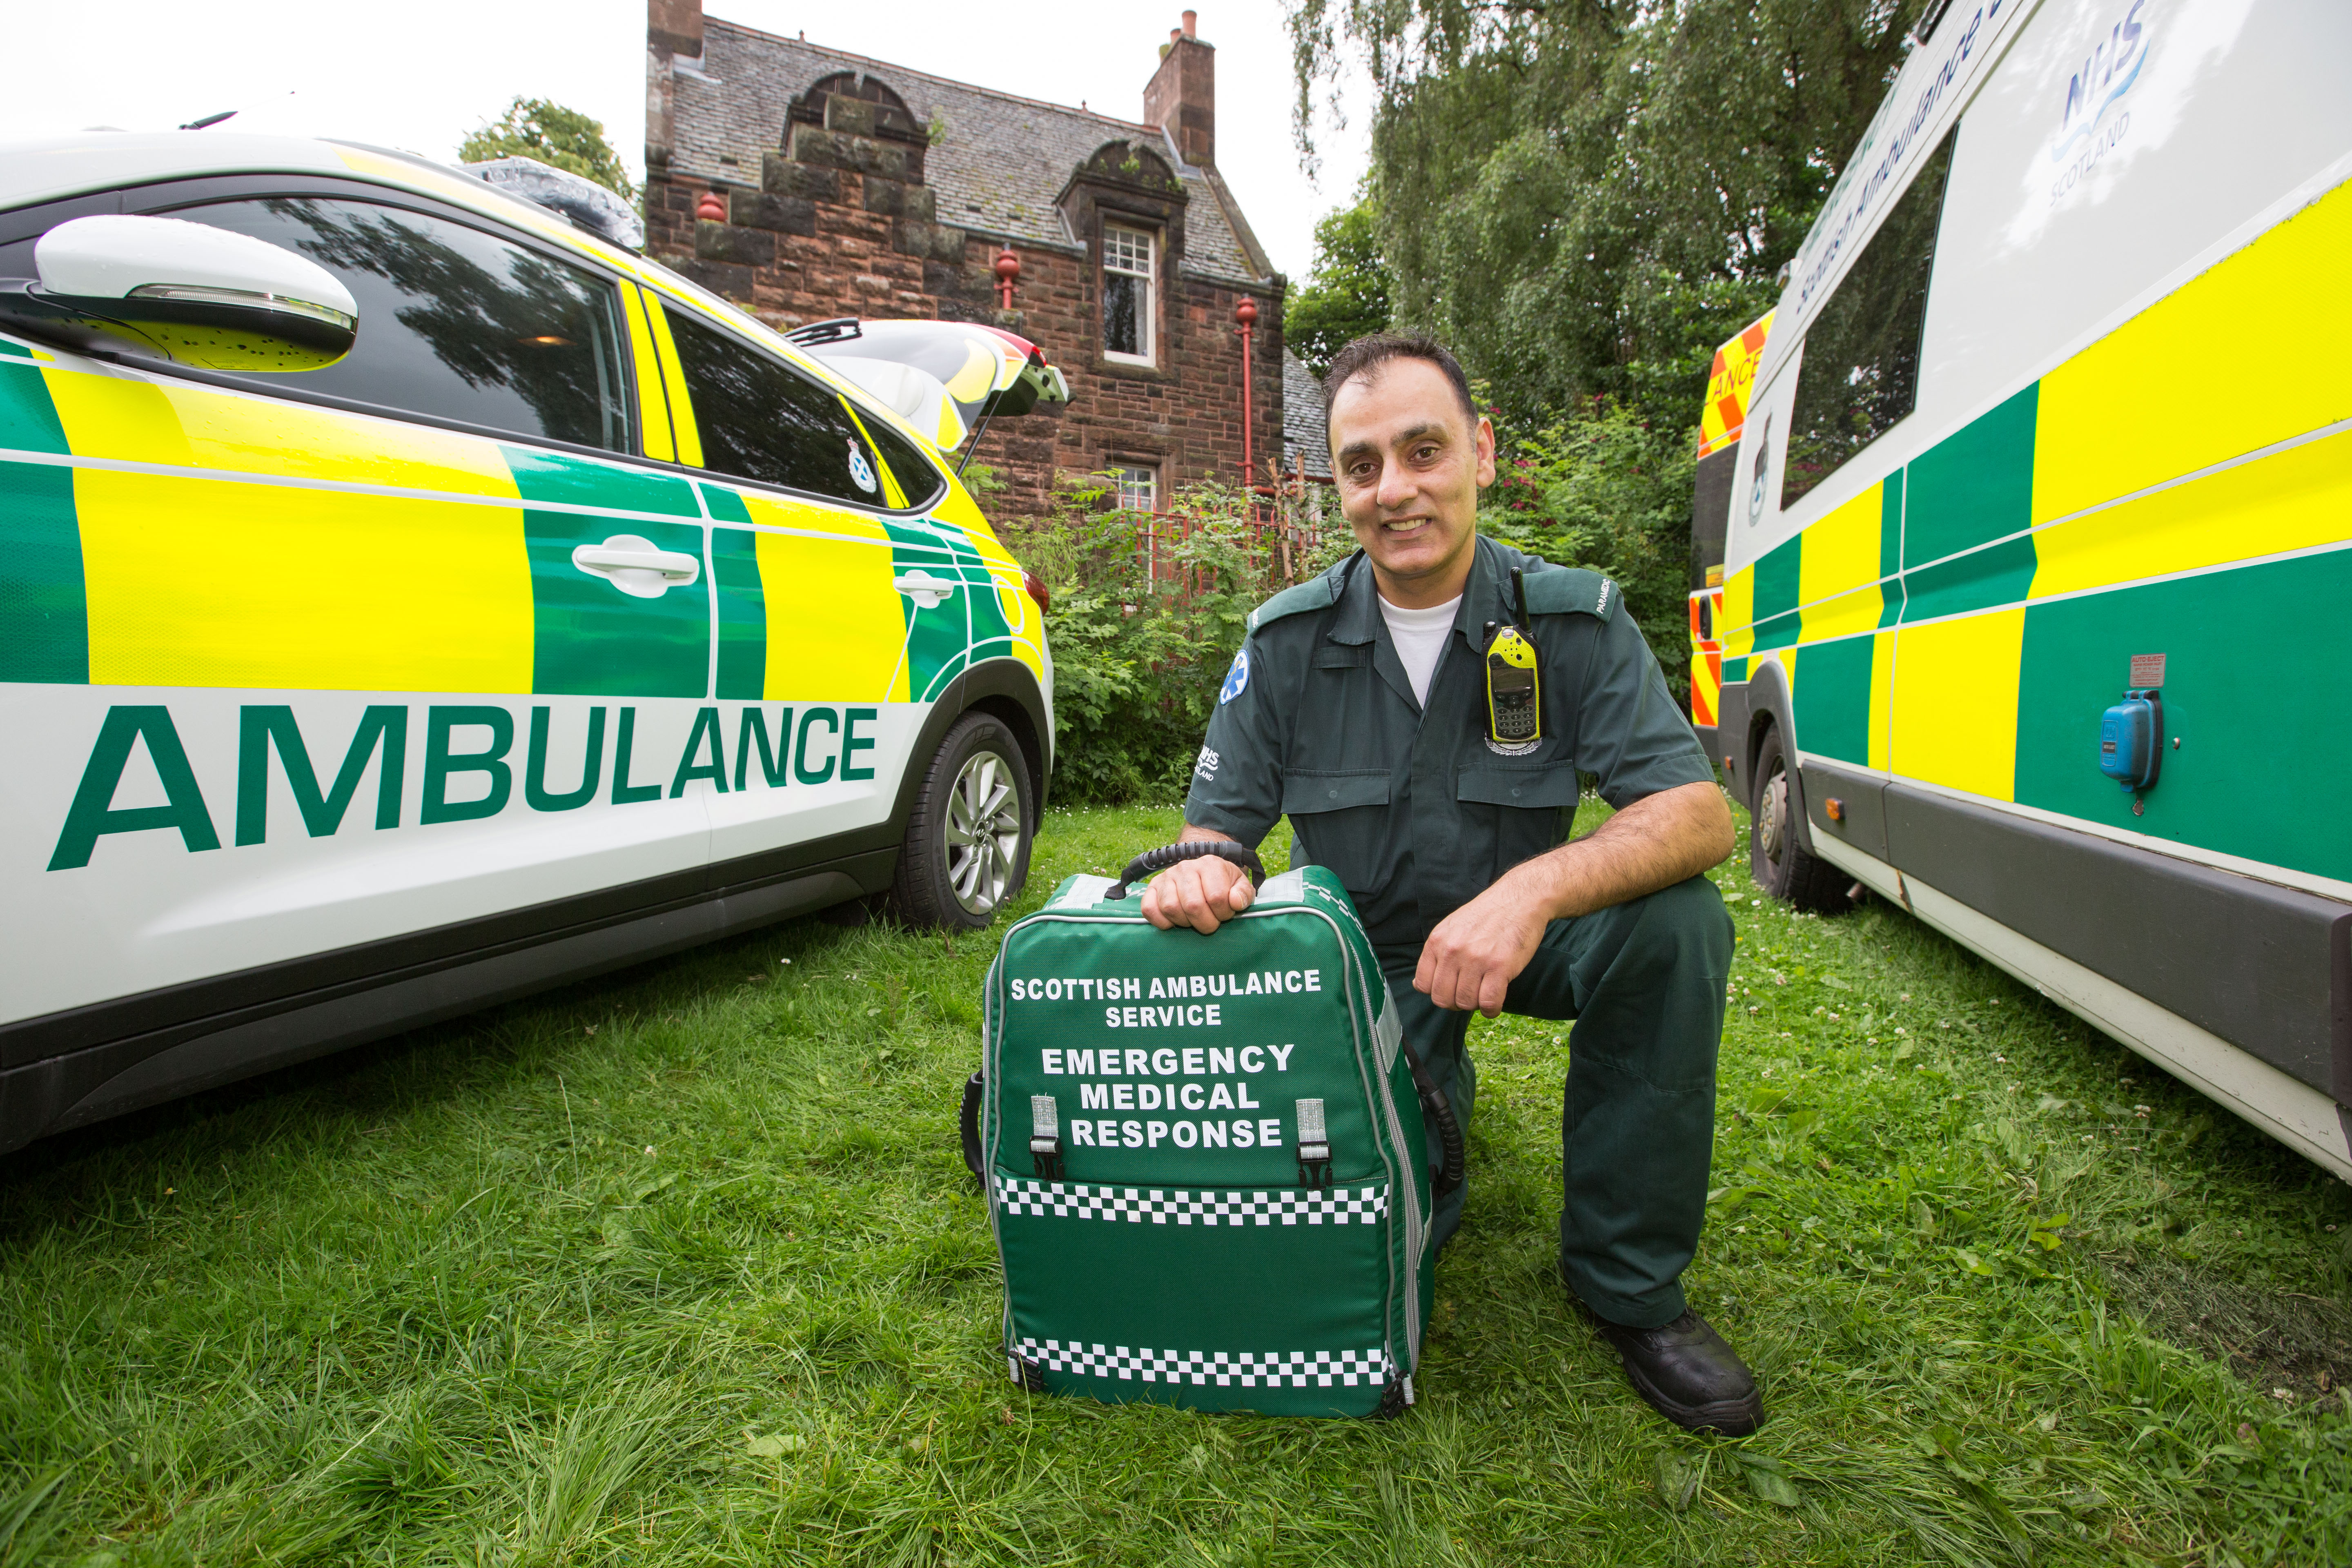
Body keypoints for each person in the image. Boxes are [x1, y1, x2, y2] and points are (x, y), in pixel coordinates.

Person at [1139, 333, 1759, 1435]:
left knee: (1677, 926)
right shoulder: (1283, 644)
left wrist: (1532, 894)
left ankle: (1629, 1291)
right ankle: (1426, 1105)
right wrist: (1206, 876)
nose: (1396, 490)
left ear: (1481, 451)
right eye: (1362, 465)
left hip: (1528, 937)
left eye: (1423, 452)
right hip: (1366, 968)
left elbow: (1699, 813)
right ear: (1337, 483)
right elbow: (1215, 835)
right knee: (1399, 1212)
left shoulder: (1569, 620)